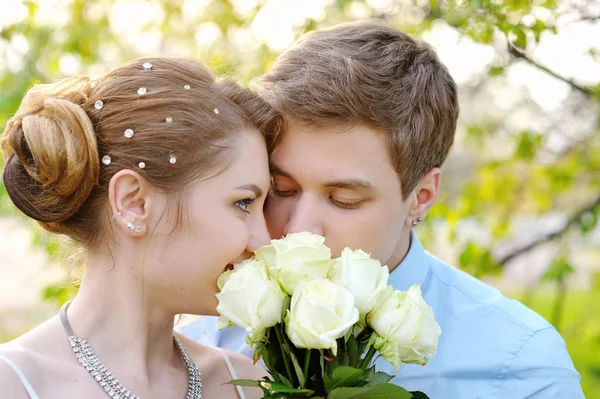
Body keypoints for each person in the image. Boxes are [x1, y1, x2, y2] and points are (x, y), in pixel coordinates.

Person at [181, 21, 585, 398]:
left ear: (421, 197)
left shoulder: (519, 366)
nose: (300, 229)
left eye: (344, 200)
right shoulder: (203, 339)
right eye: (281, 189)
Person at [0, 57, 280, 398]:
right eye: (243, 203)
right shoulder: (14, 383)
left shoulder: (247, 383)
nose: (264, 241)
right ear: (135, 203)